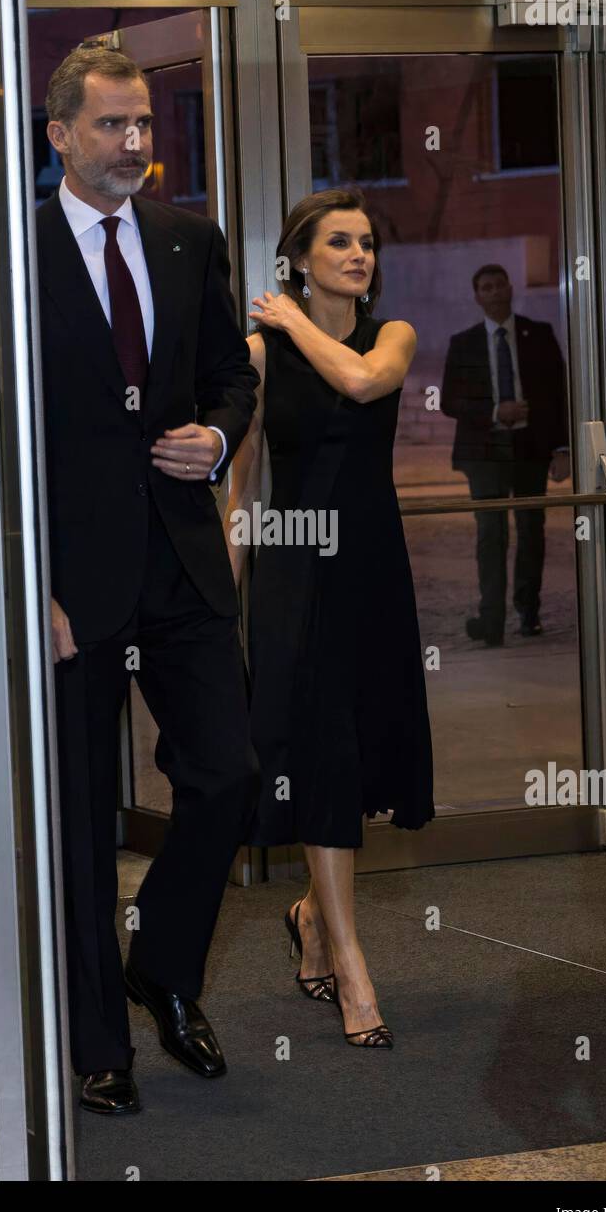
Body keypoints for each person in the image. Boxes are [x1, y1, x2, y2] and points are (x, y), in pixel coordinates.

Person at [38, 47, 260, 1115]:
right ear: (61, 136)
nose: (136, 144)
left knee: (228, 773)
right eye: (114, 125)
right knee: (80, 818)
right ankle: (97, 1048)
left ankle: (161, 968)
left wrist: (216, 438)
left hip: (180, 560)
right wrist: (23, 585)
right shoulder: (8, 252)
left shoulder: (186, 240)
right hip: (68, 589)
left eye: (143, 126)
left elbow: (232, 371)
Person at [224, 188, 434, 1049]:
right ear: (301, 257)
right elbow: (238, 493)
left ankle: (312, 913)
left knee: (365, 750)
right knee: (322, 756)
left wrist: (290, 319)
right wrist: (214, 599)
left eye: (367, 244)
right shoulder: (259, 355)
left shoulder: (392, 337)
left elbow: (357, 380)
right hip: (295, 575)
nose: (358, 255)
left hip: (374, 571)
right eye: (338, 243)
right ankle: (350, 965)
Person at [440, 265, 570, 647]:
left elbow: (558, 394)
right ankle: (491, 619)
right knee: (490, 535)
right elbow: (449, 401)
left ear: (510, 289)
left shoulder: (539, 335)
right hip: (484, 453)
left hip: (530, 450)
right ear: (477, 296)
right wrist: (498, 412)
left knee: (532, 532)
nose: (494, 292)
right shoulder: (463, 343)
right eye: (486, 287)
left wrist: (561, 449)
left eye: (499, 285)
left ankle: (528, 614)